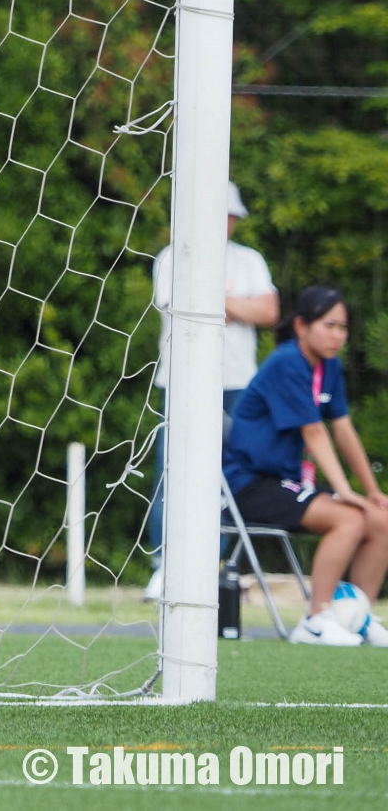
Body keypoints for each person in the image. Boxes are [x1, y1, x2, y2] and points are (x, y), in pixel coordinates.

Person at [224, 286, 388, 645]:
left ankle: (355, 618)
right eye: (329, 325)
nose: (338, 335)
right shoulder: (286, 362)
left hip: (286, 484)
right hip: (249, 485)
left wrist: (373, 492)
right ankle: (314, 620)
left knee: (380, 517)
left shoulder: (329, 367)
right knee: (348, 517)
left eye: (343, 327)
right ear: (301, 326)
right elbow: (314, 432)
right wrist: (345, 491)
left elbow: (342, 430)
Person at [147, 181, 278, 600]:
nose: (228, 223)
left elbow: (270, 311)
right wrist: (240, 306)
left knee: (228, 475)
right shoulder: (173, 256)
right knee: (171, 472)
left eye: (231, 217)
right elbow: (179, 305)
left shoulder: (249, 260)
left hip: (239, 383)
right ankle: (165, 566)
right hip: (183, 383)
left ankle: (217, 566)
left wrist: (223, 304)